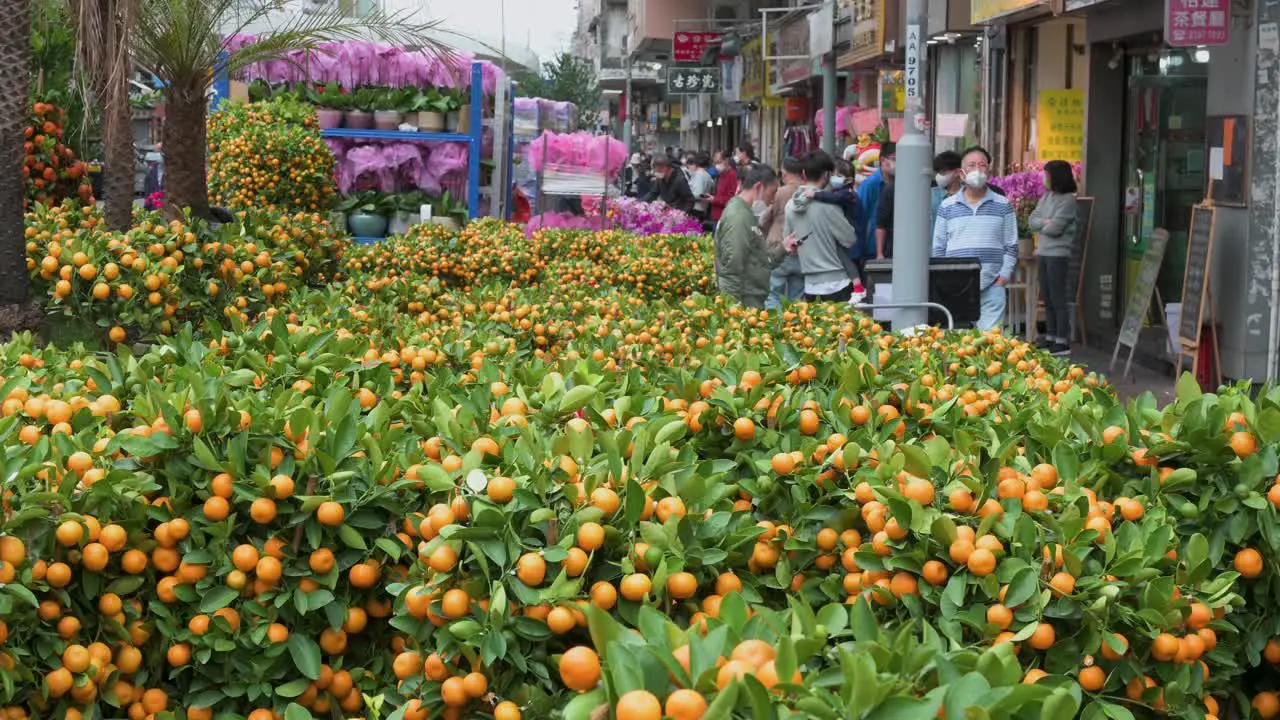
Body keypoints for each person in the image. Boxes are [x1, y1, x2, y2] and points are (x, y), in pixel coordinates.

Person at [933, 146, 1018, 331]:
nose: (977, 170)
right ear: (961, 173)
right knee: (958, 345)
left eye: (982, 165)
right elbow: (938, 248)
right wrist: (945, 281)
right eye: (971, 165)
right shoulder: (947, 206)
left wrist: (1002, 279)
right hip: (956, 288)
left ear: (989, 170)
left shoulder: (1004, 205)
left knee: (990, 345)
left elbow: (1011, 245)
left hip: (992, 285)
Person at [786, 151, 858, 302]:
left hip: (809, 284)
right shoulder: (829, 206)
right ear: (826, 175)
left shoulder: (790, 206)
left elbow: (789, 245)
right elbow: (849, 239)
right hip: (837, 283)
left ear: (803, 173)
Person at [1028, 159, 1079, 356]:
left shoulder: (1068, 200)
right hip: (1043, 253)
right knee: (1047, 297)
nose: (1044, 179)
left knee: (1058, 297)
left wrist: (1045, 223)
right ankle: (1050, 336)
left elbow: (1056, 228)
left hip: (1059, 255)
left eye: (1046, 175)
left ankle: (1062, 340)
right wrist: (1045, 222)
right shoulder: (1047, 197)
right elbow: (1032, 220)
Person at [714, 164, 780, 308]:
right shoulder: (738, 216)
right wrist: (733, 313)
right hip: (745, 303)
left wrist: (784, 249)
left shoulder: (745, 213)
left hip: (751, 300)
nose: (773, 199)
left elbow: (759, 258)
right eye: (772, 192)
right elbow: (731, 269)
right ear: (759, 187)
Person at [763, 156, 805, 308]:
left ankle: (775, 327)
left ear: (784, 173)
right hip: (801, 249)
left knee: (774, 293)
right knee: (798, 297)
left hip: (778, 246)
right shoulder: (808, 192)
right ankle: (795, 327)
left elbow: (764, 218)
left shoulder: (780, 192)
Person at [856, 141, 894, 261]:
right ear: (883, 160)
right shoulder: (870, 185)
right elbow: (859, 216)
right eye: (894, 159)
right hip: (871, 250)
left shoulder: (900, 183)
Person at [930, 150, 963, 238]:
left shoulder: (968, 194)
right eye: (938, 172)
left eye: (943, 172)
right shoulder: (930, 195)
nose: (939, 176)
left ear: (957, 172)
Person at [709, 151, 739, 225]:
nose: (716, 165)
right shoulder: (721, 175)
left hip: (724, 217)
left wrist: (714, 199)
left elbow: (731, 199)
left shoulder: (732, 176)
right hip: (716, 215)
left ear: (726, 161)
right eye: (715, 162)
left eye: (719, 162)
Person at [686, 153, 715, 224]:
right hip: (703, 208)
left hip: (696, 208)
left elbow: (698, 194)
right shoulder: (707, 175)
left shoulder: (699, 175)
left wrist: (686, 194)